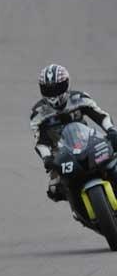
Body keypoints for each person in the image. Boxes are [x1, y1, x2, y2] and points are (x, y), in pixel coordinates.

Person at [30, 64, 117, 202]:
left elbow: (101, 116)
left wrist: (112, 130)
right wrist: (47, 158)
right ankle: (79, 209)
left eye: (57, 88)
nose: (53, 94)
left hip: (88, 143)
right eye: (48, 90)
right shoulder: (38, 113)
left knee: (114, 159)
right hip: (61, 155)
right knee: (54, 189)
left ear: (67, 84)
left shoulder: (79, 98)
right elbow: (40, 141)